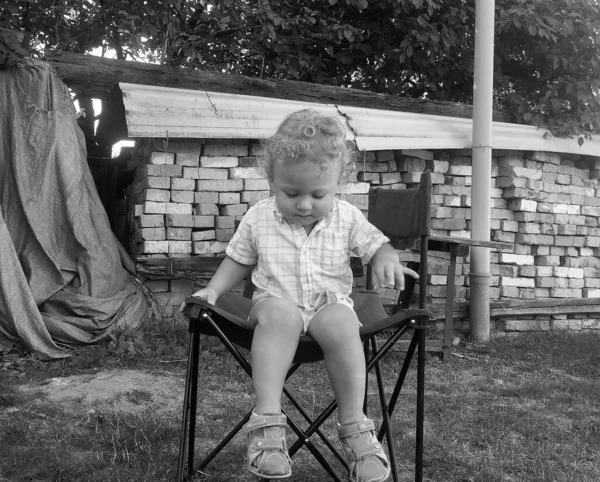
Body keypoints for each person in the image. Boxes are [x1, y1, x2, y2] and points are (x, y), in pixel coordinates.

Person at [181, 109, 418, 482]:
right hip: (275, 304)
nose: (305, 204)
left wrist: (388, 259)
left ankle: (357, 430)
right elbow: (238, 261)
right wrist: (214, 288)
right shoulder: (259, 216)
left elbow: (377, 246)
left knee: (342, 319)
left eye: (318, 194)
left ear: (339, 183)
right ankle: (268, 428)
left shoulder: (346, 216)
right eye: (291, 193)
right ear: (272, 180)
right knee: (281, 314)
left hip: (328, 307)